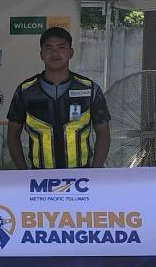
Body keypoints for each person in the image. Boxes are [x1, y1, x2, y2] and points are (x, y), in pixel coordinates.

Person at [7, 26, 111, 169]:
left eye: (61, 47)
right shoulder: (26, 91)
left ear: (71, 52)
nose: (55, 53)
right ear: (41, 54)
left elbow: (103, 135)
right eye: (48, 48)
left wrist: (94, 172)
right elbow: (12, 136)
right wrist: (24, 173)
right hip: (40, 176)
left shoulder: (89, 89)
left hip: (81, 175)